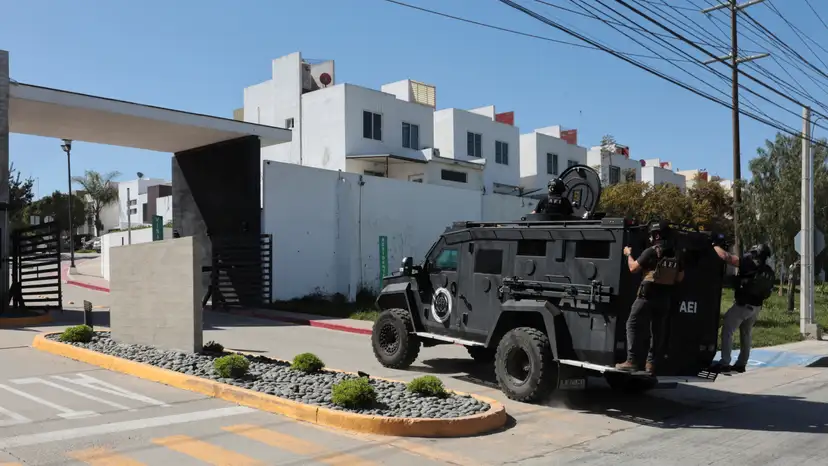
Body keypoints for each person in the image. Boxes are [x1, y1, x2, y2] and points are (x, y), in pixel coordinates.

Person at [616, 220, 685, 374]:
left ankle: (631, 360)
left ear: (656, 235)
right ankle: (650, 364)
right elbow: (679, 278)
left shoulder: (652, 251)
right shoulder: (676, 255)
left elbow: (633, 268)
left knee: (632, 324)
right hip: (665, 299)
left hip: (646, 297)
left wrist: (628, 254)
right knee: (657, 331)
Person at [710, 242, 775, 373]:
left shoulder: (749, 264)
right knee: (746, 334)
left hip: (743, 306)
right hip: (756, 307)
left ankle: (724, 363)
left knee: (727, 329)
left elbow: (726, 257)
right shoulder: (767, 269)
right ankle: (741, 364)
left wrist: (714, 245)